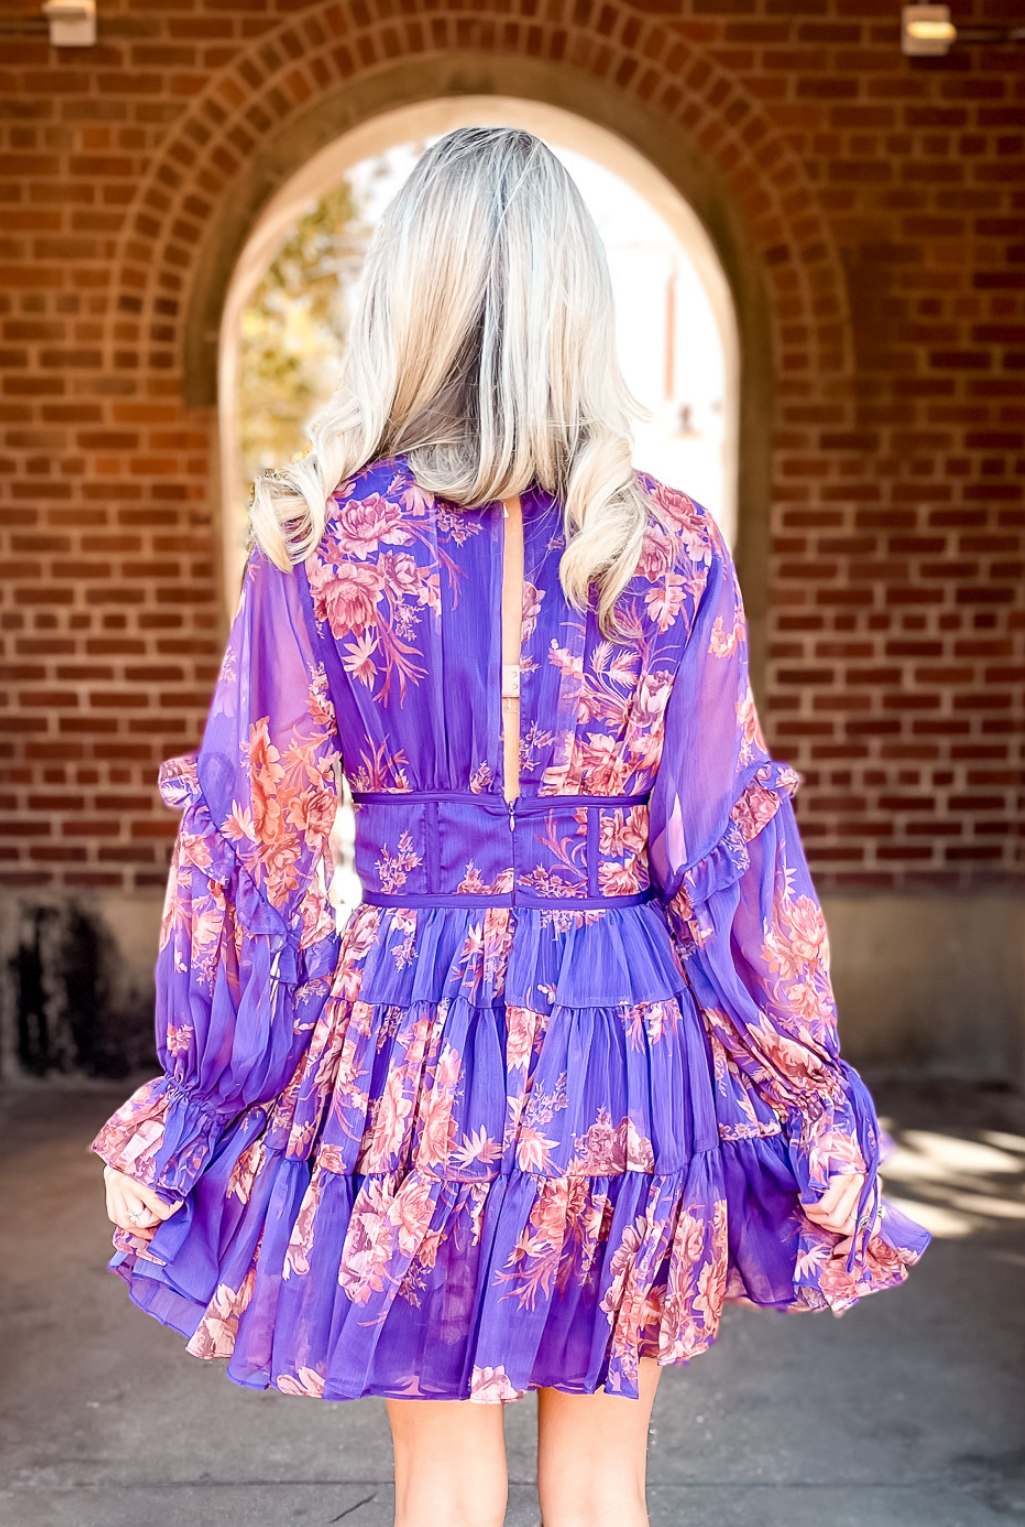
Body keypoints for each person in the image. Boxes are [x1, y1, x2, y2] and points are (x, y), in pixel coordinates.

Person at [92, 126, 931, 1527]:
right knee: (604, 1490)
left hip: (411, 1031)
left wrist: (210, 1089)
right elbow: (722, 846)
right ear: (572, 303)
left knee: (442, 1485)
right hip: (625, 1035)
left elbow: (263, 838)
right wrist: (799, 1079)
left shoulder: (323, 542)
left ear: (406, 298)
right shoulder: (664, 548)